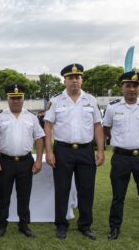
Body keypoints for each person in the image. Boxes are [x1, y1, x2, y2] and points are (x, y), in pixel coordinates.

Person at [44, 63, 104, 240]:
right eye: (71, 78)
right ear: (65, 81)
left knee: (86, 190)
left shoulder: (91, 100)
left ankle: (85, 225)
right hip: (62, 150)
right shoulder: (56, 101)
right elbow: (48, 126)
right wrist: (49, 152)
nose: (74, 81)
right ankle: (61, 225)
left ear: (82, 80)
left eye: (77, 77)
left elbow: (98, 127)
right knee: (62, 189)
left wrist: (100, 150)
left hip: (86, 150)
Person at [103, 71, 139, 244]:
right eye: (128, 85)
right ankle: (114, 228)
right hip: (121, 157)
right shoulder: (113, 108)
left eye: (135, 86)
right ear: (122, 88)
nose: (132, 89)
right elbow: (107, 129)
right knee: (118, 197)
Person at [0, 84, 45, 238]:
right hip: (5, 161)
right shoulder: (0, 117)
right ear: (8, 99)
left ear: (23, 99)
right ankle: (2, 223)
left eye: (18, 98)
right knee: (4, 195)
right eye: (12, 98)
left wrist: (39, 160)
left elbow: (39, 138)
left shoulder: (31, 117)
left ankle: (24, 224)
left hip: (25, 161)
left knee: (24, 195)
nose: (15, 101)